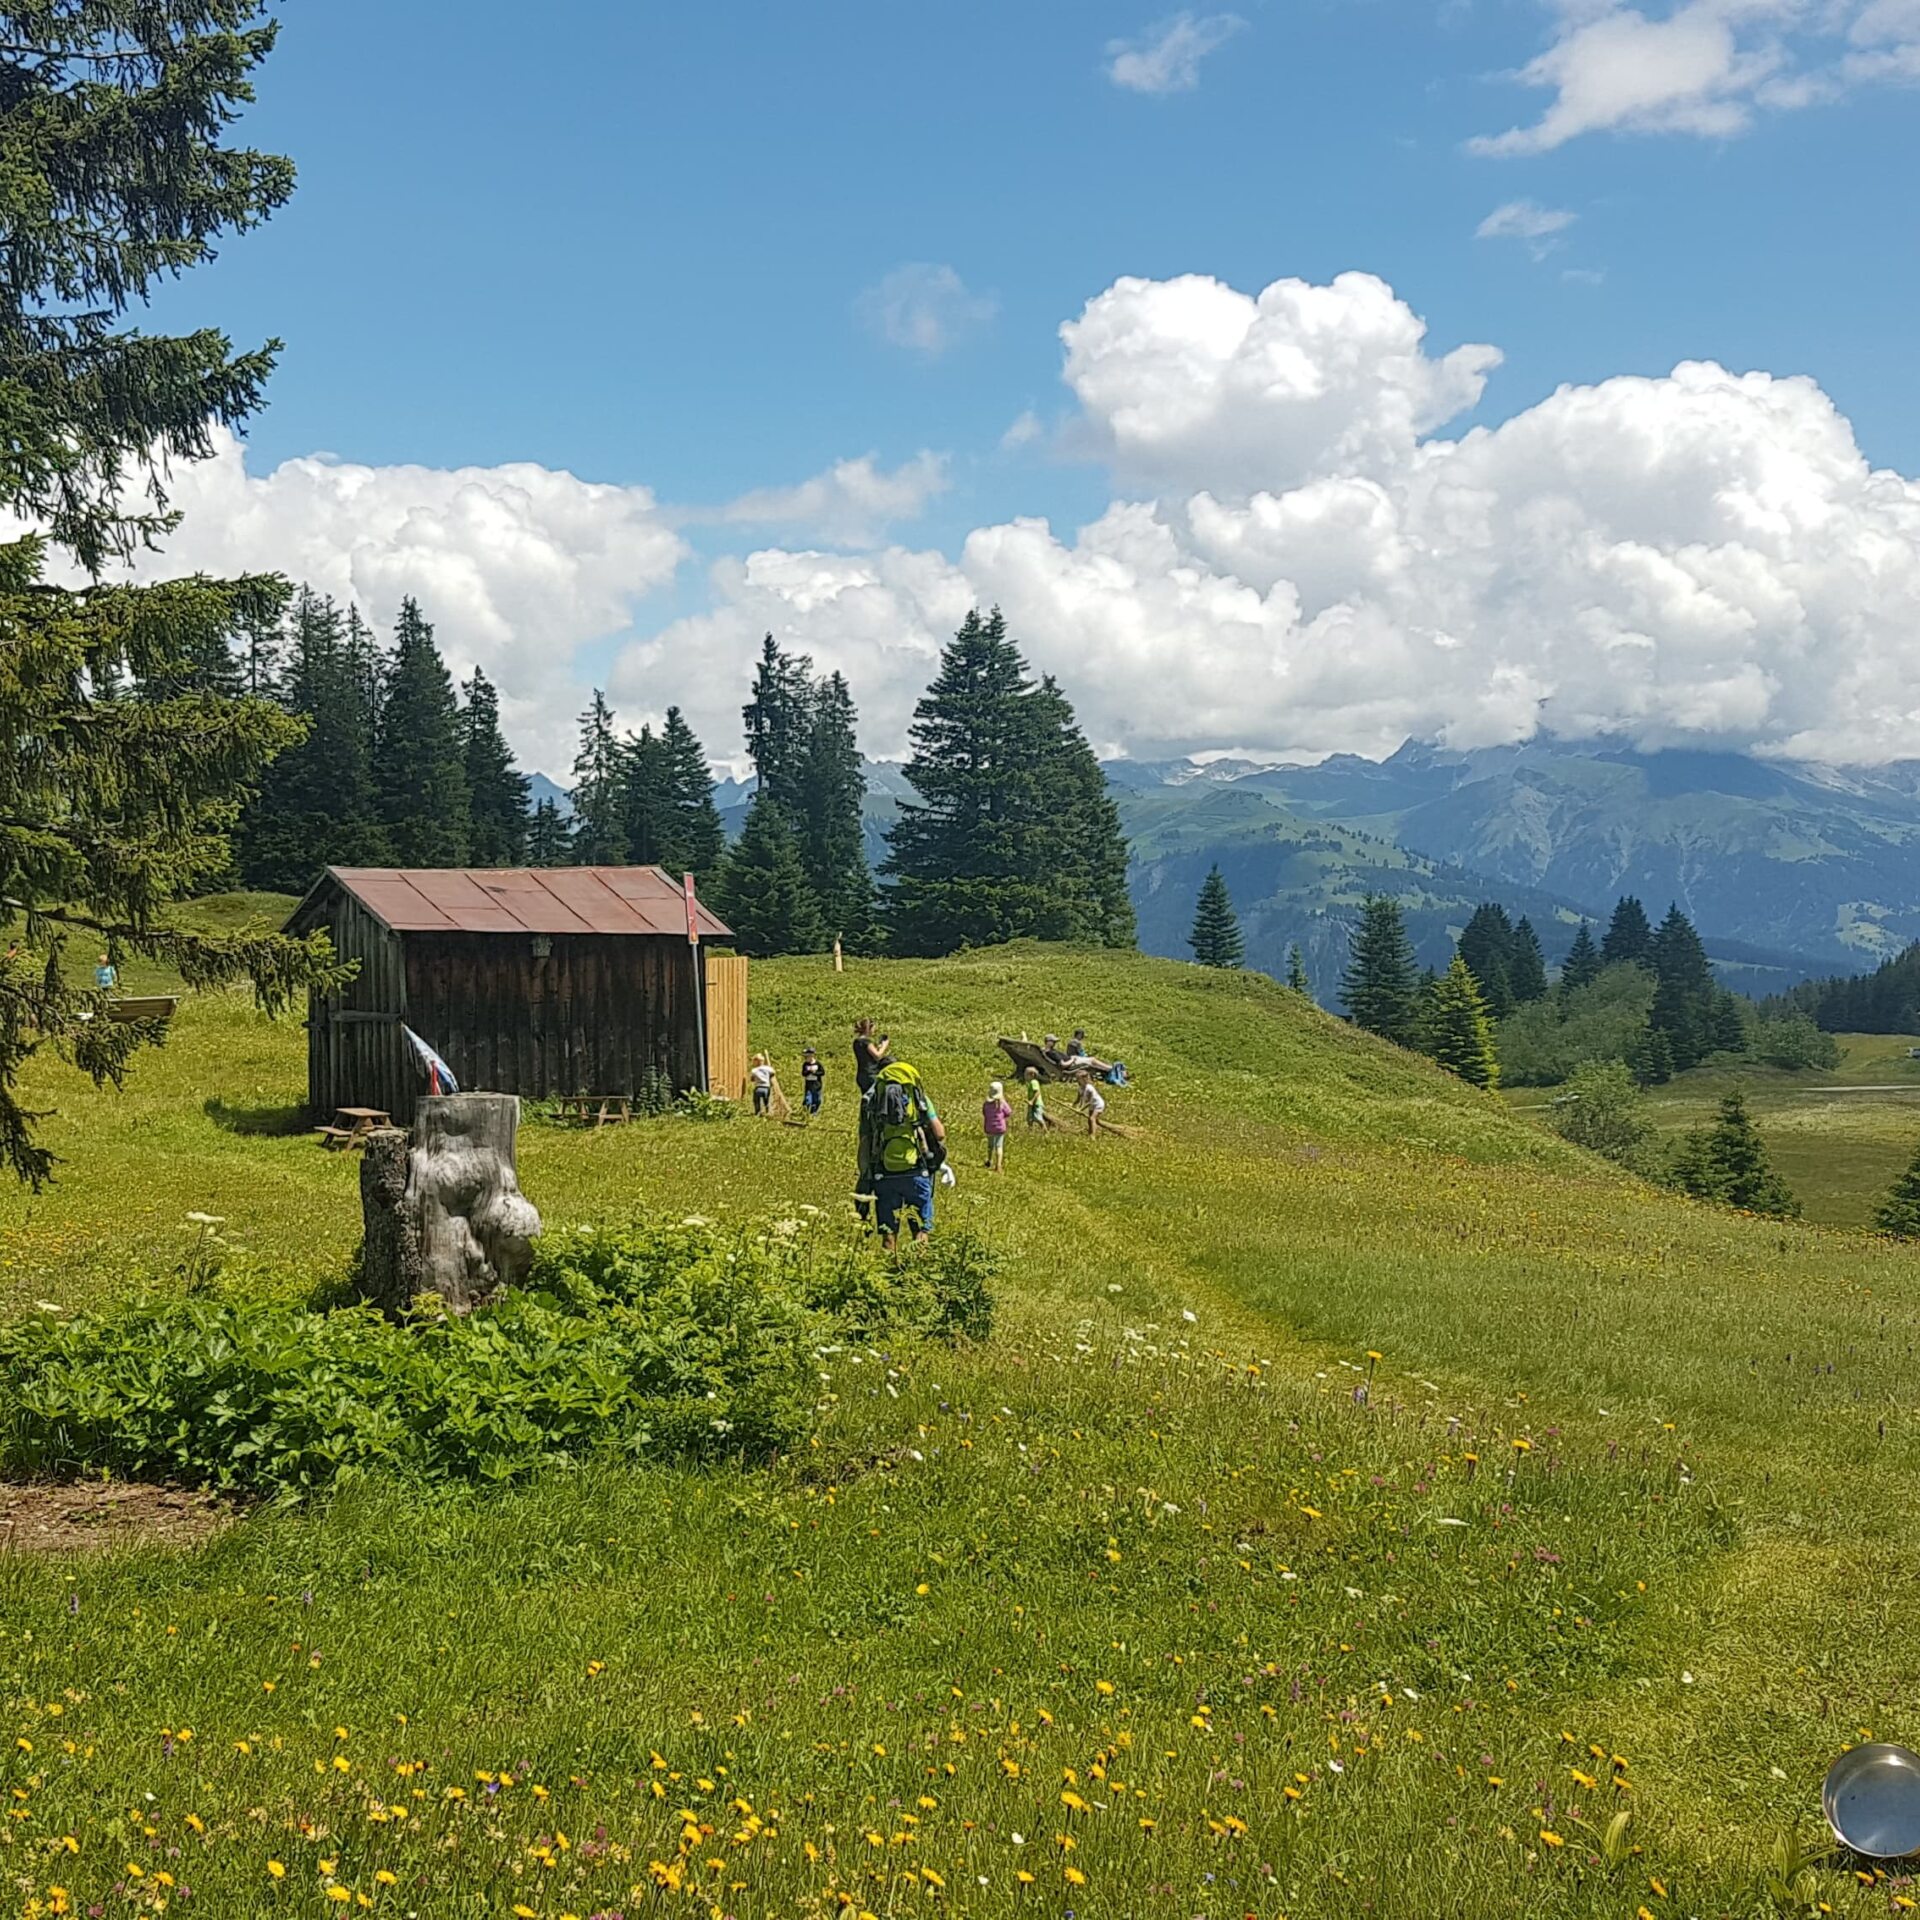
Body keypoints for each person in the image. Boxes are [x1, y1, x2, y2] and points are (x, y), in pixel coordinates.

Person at [862, 1057, 947, 1247]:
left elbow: (866, 1139)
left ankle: (888, 1272)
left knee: (889, 1233)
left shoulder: (874, 1100)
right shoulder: (919, 1099)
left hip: (885, 1172)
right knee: (921, 1229)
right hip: (916, 1170)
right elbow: (940, 1135)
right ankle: (917, 1270)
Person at [853, 1017, 890, 1095]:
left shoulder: (856, 1042)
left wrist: (877, 1048)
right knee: (874, 1098)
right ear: (868, 1028)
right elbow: (877, 1055)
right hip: (871, 1074)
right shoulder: (867, 1042)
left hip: (861, 1074)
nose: (874, 1031)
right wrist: (884, 1046)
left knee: (866, 1097)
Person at [982, 1079, 1012, 1172]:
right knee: (999, 1146)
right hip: (1000, 1129)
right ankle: (998, 1165)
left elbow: (984, 1112)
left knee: (990, 1145)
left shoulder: (986, 1104)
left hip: (989, 1127)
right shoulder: (1002, 1104)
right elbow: (1008, 1112)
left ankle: (989, 1160)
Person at [1075, 1068, 1108, 1138]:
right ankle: (1090, 1131)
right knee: (1090, 1120)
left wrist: (1081, 1109)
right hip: (1092, 1105)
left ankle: (1093, 1135)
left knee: (1092, 1118)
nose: (1077, 1080)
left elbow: (1090, 1101)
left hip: (1098, 1104)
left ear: (1084, 1079)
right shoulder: (1080, 1088)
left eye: (1078, 1079)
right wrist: (1073, 1105)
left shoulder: (1089, 1088)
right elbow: (1078, 1099)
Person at [801, 1045, 825, 1116]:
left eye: (809, 1056)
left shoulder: (818, 1064)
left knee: (816, 1099)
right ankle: (808, 1110)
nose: (808, 1058)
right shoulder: (805, 1064)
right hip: (809, 1084)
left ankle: (815, 1112)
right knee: (808, 1099)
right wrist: (809, 1071)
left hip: (816, 1084)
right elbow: (803, 1073)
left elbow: (822, 1072)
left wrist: (815, 1073)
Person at [749, 1051, 774, 1116]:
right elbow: (773, 1073)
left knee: (756, 1101)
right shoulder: (768, 1068)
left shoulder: (754, 1070)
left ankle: (757, 1112)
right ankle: (767, 1112)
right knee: (766, 1101)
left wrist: (754, 1079)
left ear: (756, 1061)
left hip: (758, 1087)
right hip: (766, 1087)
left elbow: (752, 1079)